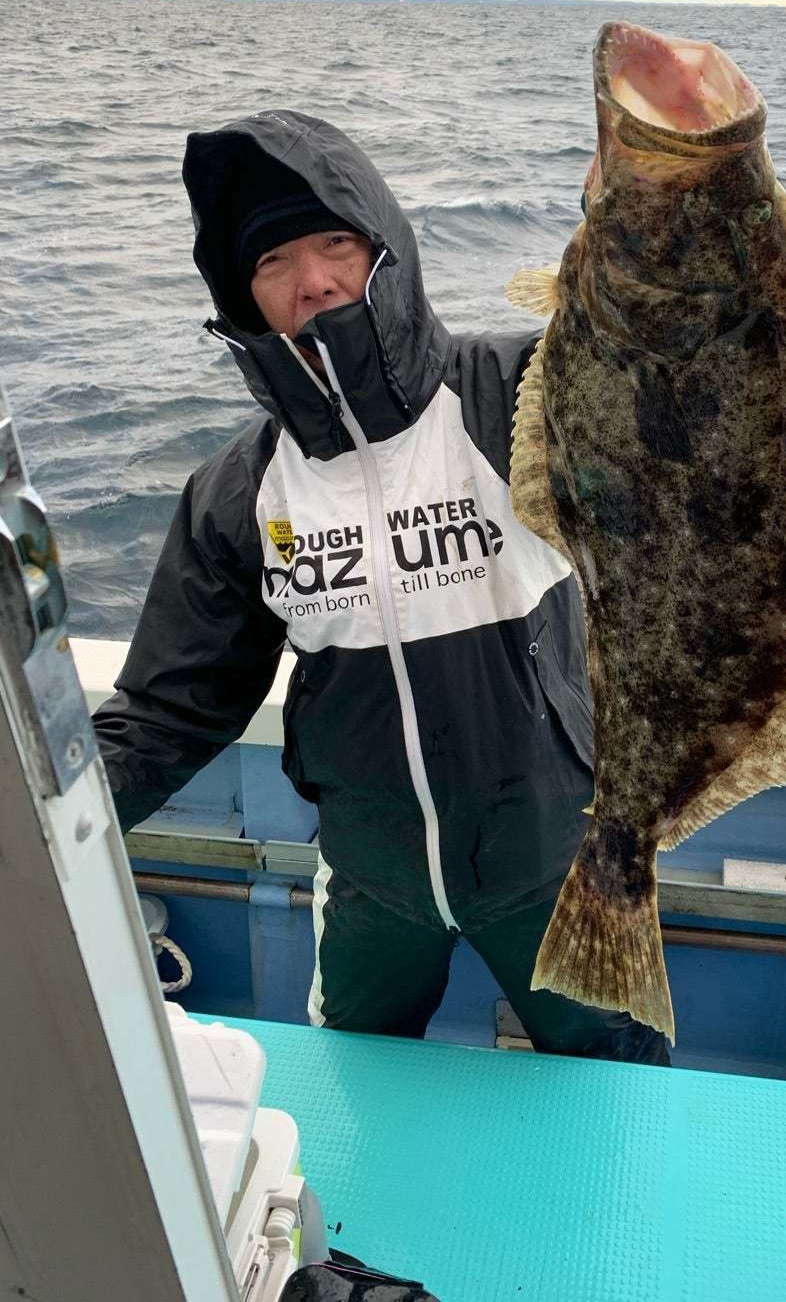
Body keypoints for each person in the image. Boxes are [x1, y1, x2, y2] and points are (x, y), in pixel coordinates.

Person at [92, 108, 668, 1066]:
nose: (312, 281)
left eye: (336, 244)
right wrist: (43, 827)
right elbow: (168, 711)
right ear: (244, 296)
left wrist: (645, 211)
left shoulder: (521, 394)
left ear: (385, 251)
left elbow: (664, 363)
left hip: (561, 863)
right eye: (273, 262)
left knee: (620, 1087)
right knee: (355, 1094)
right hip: (372, 880)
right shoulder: (237, 491)